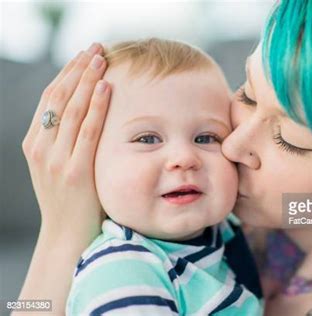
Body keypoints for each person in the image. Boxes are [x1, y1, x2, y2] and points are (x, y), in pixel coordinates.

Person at [18, 1, 312, 315]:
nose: (232, 145)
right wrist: (59, 233)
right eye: (248, 95)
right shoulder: (221, 221)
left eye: (291, 140)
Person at [64, 38, 262, 315]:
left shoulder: (224, 229)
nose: (184, 158)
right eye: (147, 138)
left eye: (206, 137)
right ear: (88, 161)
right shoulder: (125, 270)